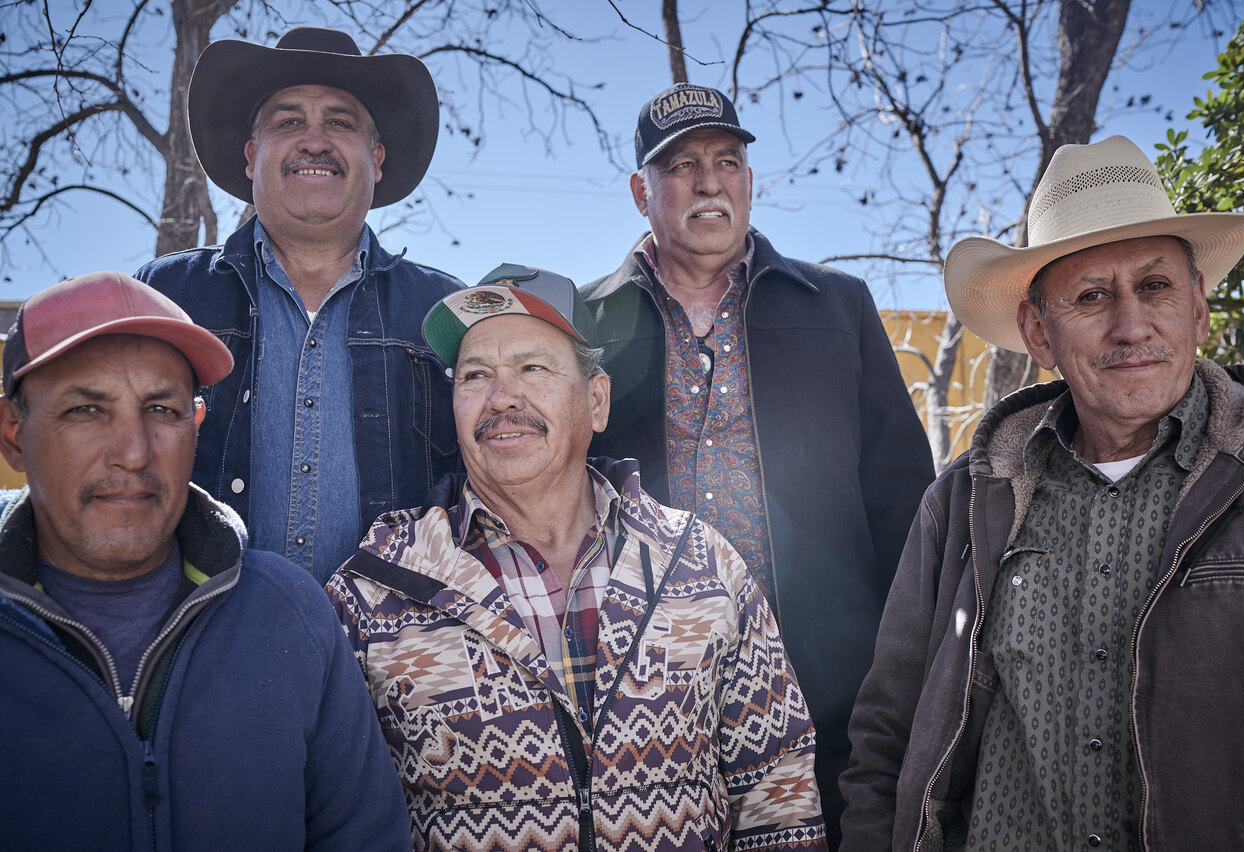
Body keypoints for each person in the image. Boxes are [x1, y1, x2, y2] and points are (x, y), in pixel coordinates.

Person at [840, 135, 1244, 851]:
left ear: (1199, 307)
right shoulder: (963, 503)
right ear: (1039, 333)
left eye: (1157, 286)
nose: (1132, 324)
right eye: (1092, 296)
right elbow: (887, 735)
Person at [326, 263, 828, 850]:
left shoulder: (703, 563)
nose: (501, 397)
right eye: (475, 375)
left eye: (533, 368)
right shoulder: (374, 592)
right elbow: (338, 822)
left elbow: (778, 790)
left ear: (596, 400)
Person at [580, 82, 937, 840]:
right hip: (648, 697)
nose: (709, 180)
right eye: (681, 165)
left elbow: (903, 499)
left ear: (748, 180)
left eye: (727, 160)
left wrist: (908, 667)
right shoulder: (586, 325)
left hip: (831, 693)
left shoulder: (838, 306)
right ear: (643, 191)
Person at [0, 271, 410, 849]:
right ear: (14, 434)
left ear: (195, 427)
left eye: (161, 410)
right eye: (87, 410)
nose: (133, 452)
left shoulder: (290, 615)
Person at [136, 27, 462, 582]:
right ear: (251, 155)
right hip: (200, 641)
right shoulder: (168, 297)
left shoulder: (444, 312)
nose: (315, 140)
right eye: (288, 122)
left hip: (395, 656)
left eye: (340, 122)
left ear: (376, 159)